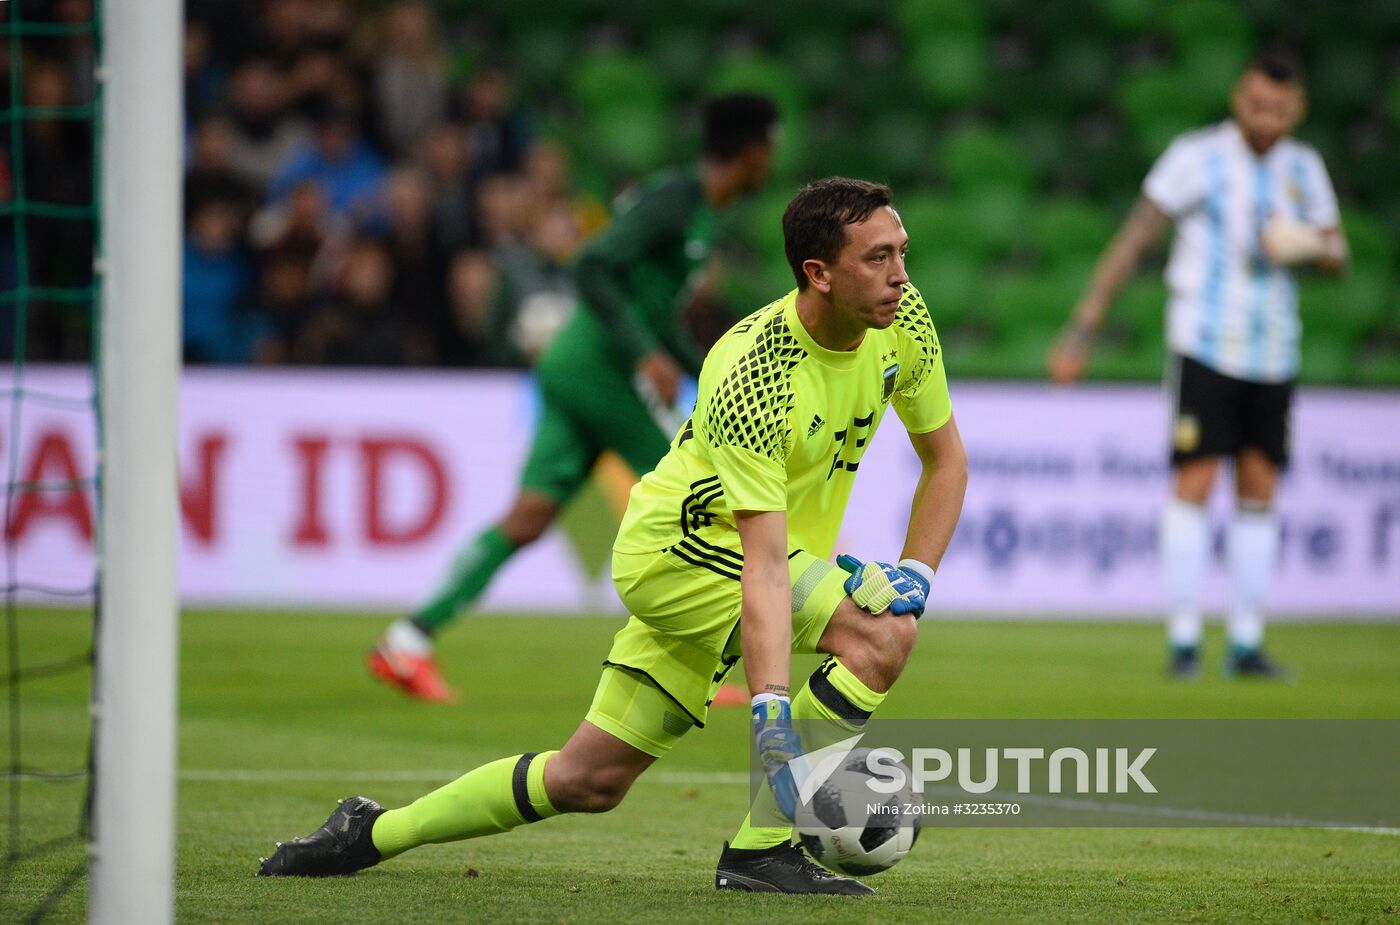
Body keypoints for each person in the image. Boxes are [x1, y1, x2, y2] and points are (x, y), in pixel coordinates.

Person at [258, 177, 967, 894]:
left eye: (902, 252)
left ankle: (370, 831)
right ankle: (763, 850)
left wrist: (919, 570)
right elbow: (764, 564)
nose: (901, 275)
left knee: (586, 779)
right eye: (878, 258)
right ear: (818, 272)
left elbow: (946, 459)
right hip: (681, 554)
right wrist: (772, 707)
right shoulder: (756, 369)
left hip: (754, 562)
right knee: (880, 634)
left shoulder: (901, 320)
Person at [367, 94, 781, 701]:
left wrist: (707, 369)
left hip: (579, 367)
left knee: (530, 515)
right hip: (599, 369)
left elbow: (654, 310)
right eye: (769, 146)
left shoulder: (697, 211)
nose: (771, 159)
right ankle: (702, 667)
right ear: (751, 151)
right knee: (703, 502)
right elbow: (592, 266)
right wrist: (643, 353)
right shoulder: (677, 200)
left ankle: (405, 643)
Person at [1047, 49, 1349, 679]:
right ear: (1240, 97)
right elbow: (1136, 238)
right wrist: (1083, 328)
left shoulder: (1305, 169)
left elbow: (1338, 257)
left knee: (1260, 486)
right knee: (1196, 480)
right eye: (1256, 102)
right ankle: (1184, 639)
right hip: (1206, 345)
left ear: (1298, 110)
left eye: (1279, 107)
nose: (1266, 116)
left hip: (1275, 351)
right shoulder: (1197, 157)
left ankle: (1245, 642)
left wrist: (1304, 245)